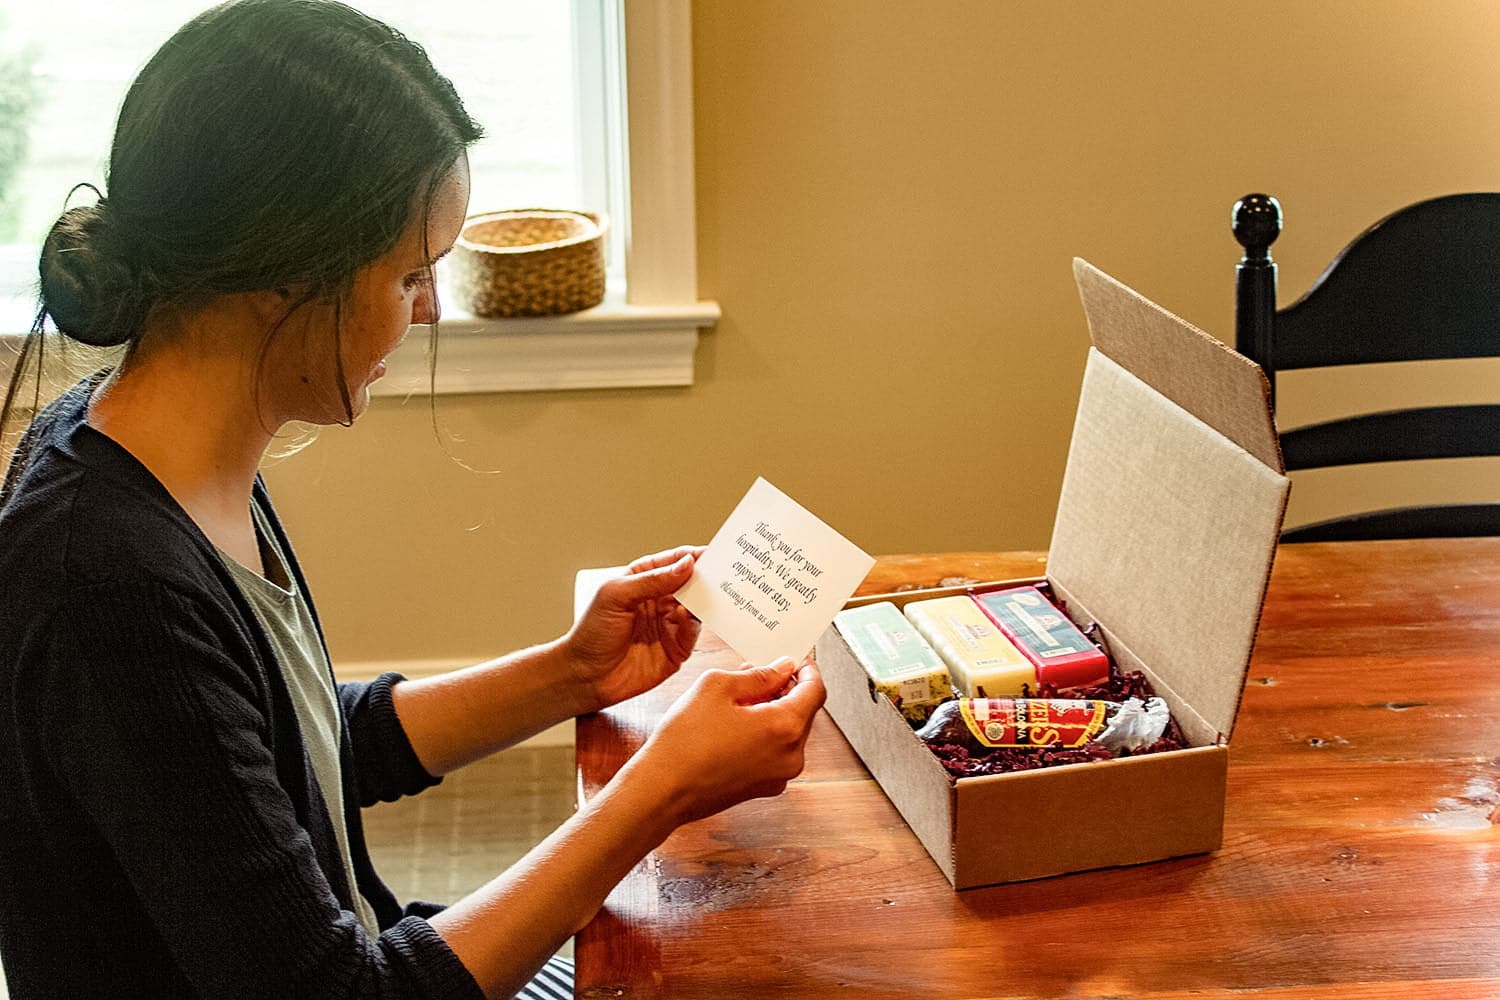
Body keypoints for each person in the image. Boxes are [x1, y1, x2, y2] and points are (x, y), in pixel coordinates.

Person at [0, 2, 826, 998]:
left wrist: (567, 674)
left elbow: (296, 748)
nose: (430, 307)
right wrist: (657, 790)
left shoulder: (159, 448)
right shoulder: (105, 582)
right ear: (282, 274)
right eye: (410, 272)